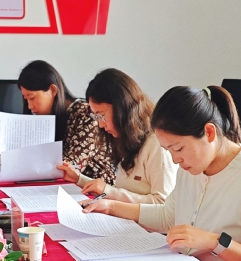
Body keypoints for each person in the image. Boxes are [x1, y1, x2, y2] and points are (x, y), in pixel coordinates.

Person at [83, 85, 241, 261]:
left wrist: (215, 242)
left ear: (209, 132)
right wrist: (112, 207)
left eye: (178, 149)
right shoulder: (193, 167)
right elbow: (169, 216)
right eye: (168, 150)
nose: (175, 159)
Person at [57, 69, 176, 204]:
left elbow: (162, 203)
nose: (100, 124)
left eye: (101, 115)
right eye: (96, 117)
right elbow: (125, 192)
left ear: (122, 108)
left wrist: (109, 192)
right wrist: (79, 179)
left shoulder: (156, 144)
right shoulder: (127, 140)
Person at [18, 60, 115, 183]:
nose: (30, 106)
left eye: (32, 98)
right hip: (64, 184)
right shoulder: (48, 117)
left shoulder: (85, 113)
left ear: (53, 90)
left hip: (95, 186)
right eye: (26, 99)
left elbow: (71, 166)